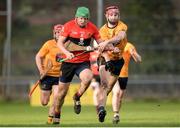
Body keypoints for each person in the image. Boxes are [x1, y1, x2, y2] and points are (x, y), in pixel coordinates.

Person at [54, 6, 103, 124]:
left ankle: (77, 96)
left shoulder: (92, 28)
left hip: (82, 62)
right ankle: (57, 115)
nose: (83, 21)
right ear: (76, 18)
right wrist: (67, 53)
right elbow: (60, 43)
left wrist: (109, 46)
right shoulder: (68, 26)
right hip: (68, 62)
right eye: (81, 18)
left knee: (88, 77)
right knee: (61, 94)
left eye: (86, 19)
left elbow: (101, 43)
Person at [96, 5, 128, 122]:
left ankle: (100, 104)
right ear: (106, 16)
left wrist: (109, 43)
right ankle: (101, 109)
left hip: (118, 60)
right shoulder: (102, 30)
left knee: (109, 87)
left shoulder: (122, 26)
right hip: (105, 58)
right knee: (104, 85)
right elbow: (103, 46)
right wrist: (110, 48)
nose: (114, 17)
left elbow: (120, 36)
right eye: (112, 15)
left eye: (116, 15)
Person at [35, 24, 63, 124]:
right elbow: (38, 56)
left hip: (59, 76)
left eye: (61, 33)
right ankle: (48, 91)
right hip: (47, 75)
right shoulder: (49, 44)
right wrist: (41, 70)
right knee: (44, 102)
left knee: (57, 97)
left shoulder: (67, 44)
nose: (59, 35)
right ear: (54, 34)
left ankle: (50, 118)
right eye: (57, 33)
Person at [111, 42, 141, 124]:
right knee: (116, 92)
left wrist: (133, 53)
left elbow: (139, 60)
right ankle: (115, 114)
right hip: (113, 73)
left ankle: (117, 113)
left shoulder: (129, 46)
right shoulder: (111, 44)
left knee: (120, 97)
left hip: (124, 75)